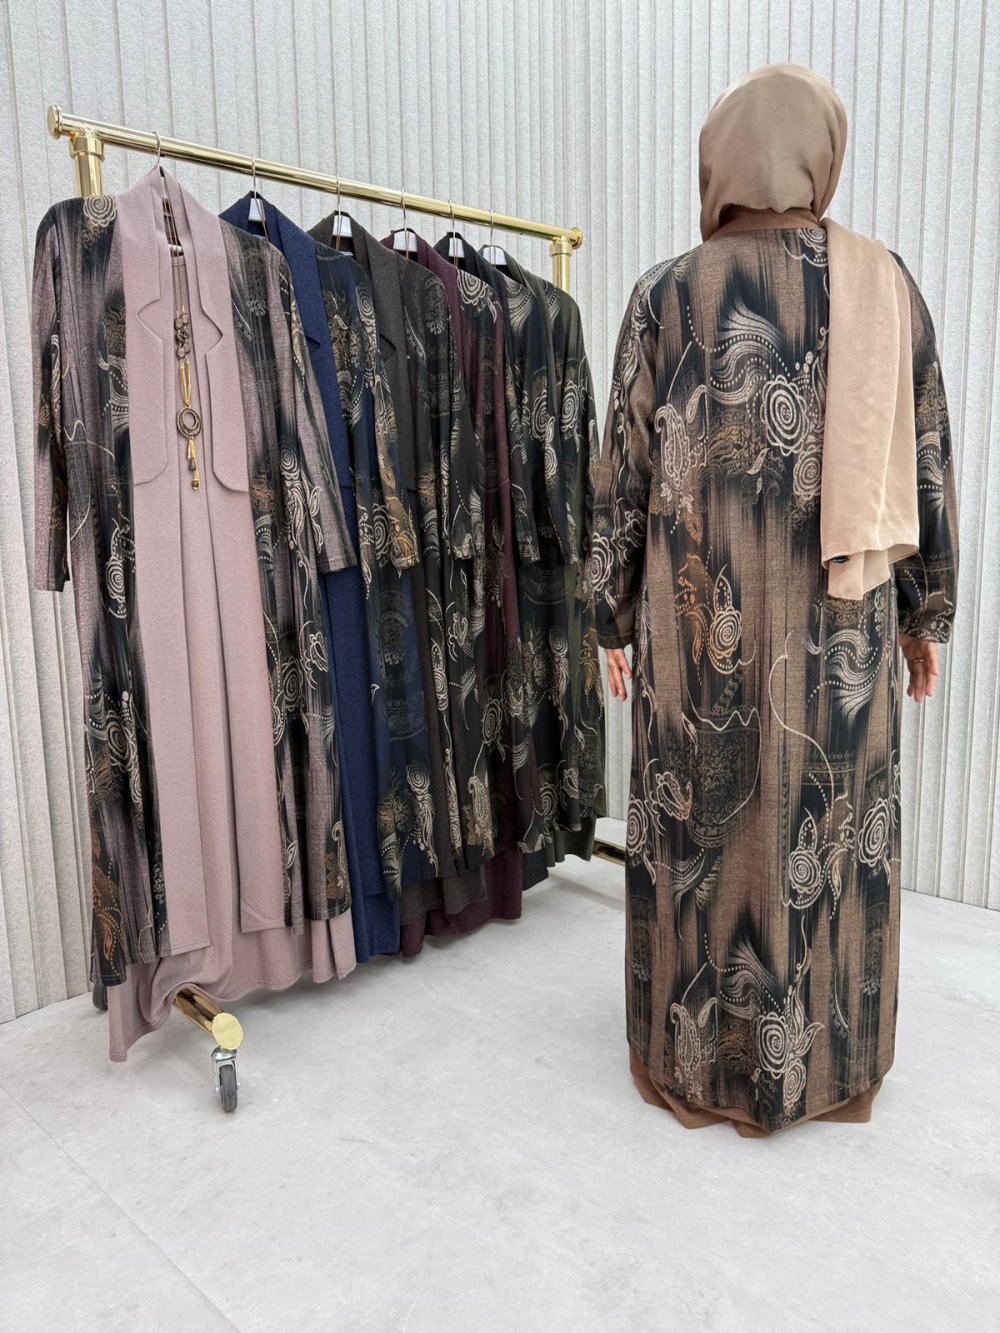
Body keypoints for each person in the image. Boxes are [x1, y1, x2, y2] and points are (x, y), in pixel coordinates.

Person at [592, 64, 959, 1135]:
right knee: (826, 833)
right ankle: (830, 1064)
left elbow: (618, 474)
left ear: (717, 160)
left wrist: (609, 612)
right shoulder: (883, 286)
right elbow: (926, 462)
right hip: (842, 634)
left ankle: (690, 1062)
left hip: (690, 633)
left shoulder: (663, 295)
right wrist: (924, 612)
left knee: (694, 834)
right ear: (818, 157)